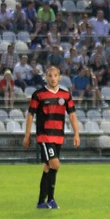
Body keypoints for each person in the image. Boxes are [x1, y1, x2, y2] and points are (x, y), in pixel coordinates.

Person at [22, 67, 81, 210]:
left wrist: (76, 133)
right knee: (55, 164)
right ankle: (51, 199)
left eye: (55, 75)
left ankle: (43, 201)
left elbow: (72, 115)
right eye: (50, 76)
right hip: (45, 136)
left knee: (48, 167)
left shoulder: (65, 95)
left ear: (59, 77)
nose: (53, 78)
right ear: (46, 78)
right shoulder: (39, 94)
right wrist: (27, 135)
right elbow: (30, 115)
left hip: (58, 136)